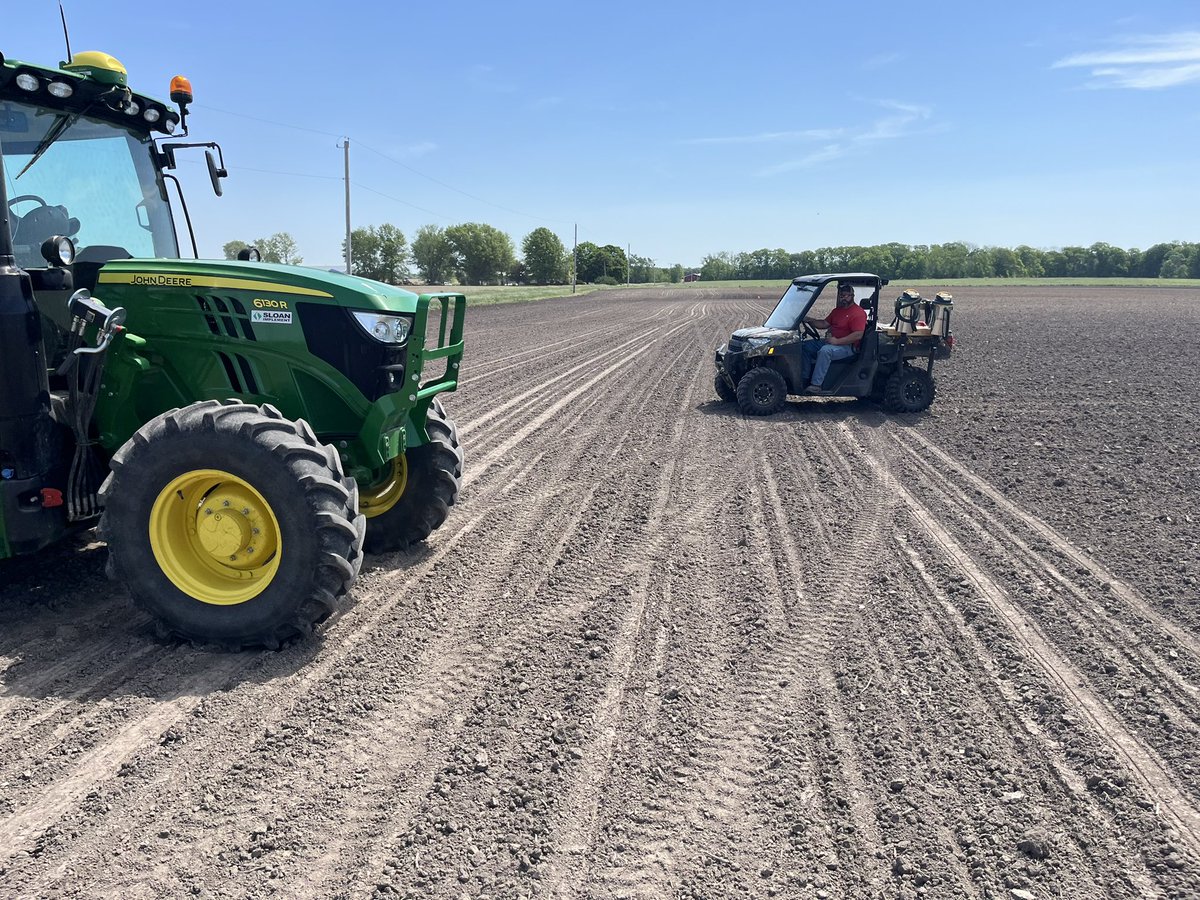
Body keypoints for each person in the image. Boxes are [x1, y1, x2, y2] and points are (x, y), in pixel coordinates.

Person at [799, 283, 867, 392]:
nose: (844, 298)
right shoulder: (837, 311)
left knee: (825, 351)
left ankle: (816, 385)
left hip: (847, 347)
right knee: (804, 346)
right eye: (841, 296)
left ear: (852, 296)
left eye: (846, 295)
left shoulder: (858, 313)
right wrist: (809, 320)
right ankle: (804, 378)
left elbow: (858, 334)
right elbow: (824, 324)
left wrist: (837, 341)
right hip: (831, 342)